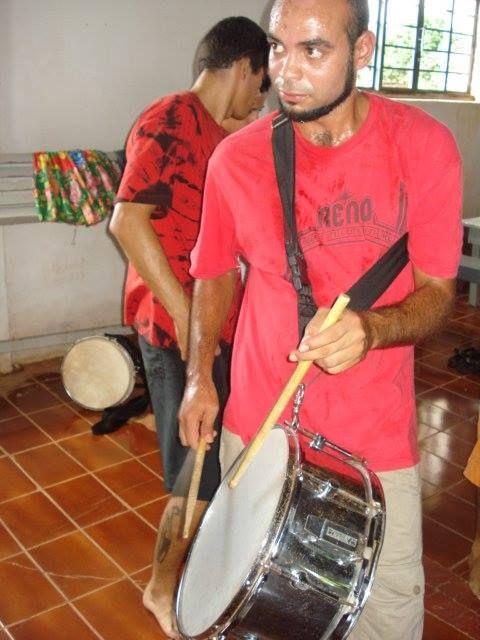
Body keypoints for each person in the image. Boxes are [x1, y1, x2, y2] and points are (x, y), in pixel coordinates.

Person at [178, 1, 463, 639]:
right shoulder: (235, 160)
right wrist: (201, 377)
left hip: (374, 438)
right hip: (258, 423)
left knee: (387, 614)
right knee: (256, 610)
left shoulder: (422, 146)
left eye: (313, 50)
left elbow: (439, 293)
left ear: (361, 51)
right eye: (278, 48)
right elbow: (214, 271)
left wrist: (374, 329)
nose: (288, 72)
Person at [109, 16, 269, 639]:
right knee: (195, 466)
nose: (261, 100)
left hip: (210, 324)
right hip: (176, 326)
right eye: (261, 83)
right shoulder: (171, 116)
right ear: (244, 66)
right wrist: (182, 312)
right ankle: (160, 589)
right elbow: (127, 221)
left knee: (211, 461)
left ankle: (197, 571)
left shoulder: (214, 129)